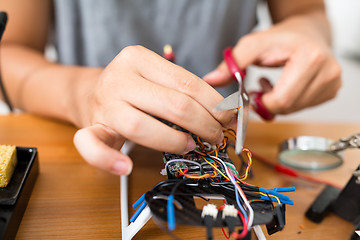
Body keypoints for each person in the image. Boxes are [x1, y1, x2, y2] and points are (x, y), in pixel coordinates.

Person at [1, 0, 341, 175]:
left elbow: (305, 10)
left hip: (222, 145)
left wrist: (308, 33)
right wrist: (83, 94)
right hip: (78, 161)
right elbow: (9, 49)